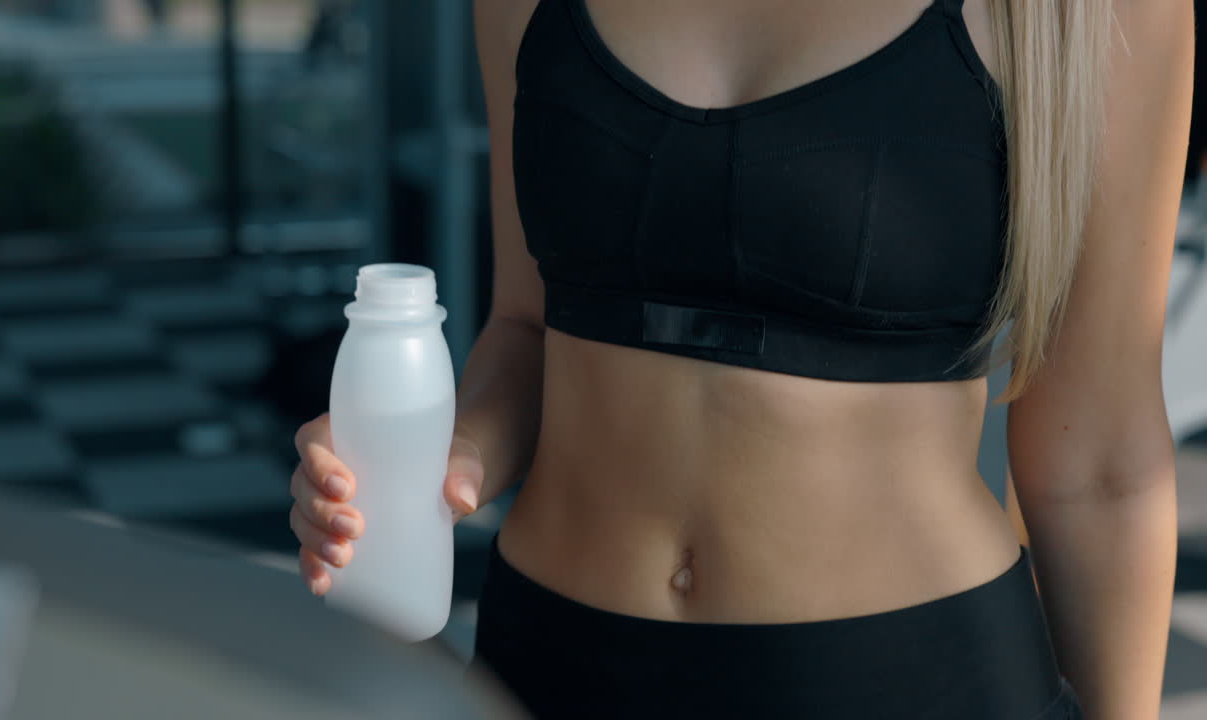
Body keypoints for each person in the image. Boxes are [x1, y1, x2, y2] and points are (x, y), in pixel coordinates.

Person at [288, 0, 1190, 717]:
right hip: (552, 666)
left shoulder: (1093, 13)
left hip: (908, 678)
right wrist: (445, 457)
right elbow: (528, 329)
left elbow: (1102, 466)